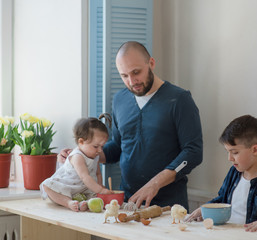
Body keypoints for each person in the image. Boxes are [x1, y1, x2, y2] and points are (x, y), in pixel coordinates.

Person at [58, 41, 203, 210]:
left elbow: (193, 152)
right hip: (127, 203)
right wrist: (81, 153)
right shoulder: (120, 100)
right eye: (124, 76)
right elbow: (118, 148)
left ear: (151, 63)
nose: (132, 81)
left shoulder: (179, 100)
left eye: (136, 72)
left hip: (169, 205)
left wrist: (155, 183)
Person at [185, 115, 257, 233]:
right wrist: (205, 209)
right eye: (228, 152)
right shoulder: (233, 173)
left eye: (235, 152)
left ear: (255, 150)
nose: (229, 158)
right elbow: (222, 199)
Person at [41, 114, 113, 212]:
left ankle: (83, 204)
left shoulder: (95, 155)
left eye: (102, 146)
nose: (100, 150)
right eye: (96, 146)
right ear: (81, 142)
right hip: (67, 187)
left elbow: (97, 173)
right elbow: (85, 177)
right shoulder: (77, 156)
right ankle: (68, 202)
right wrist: (100, 190)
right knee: (47, 185)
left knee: (95, 197)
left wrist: (100, 188)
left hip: (83, 189)